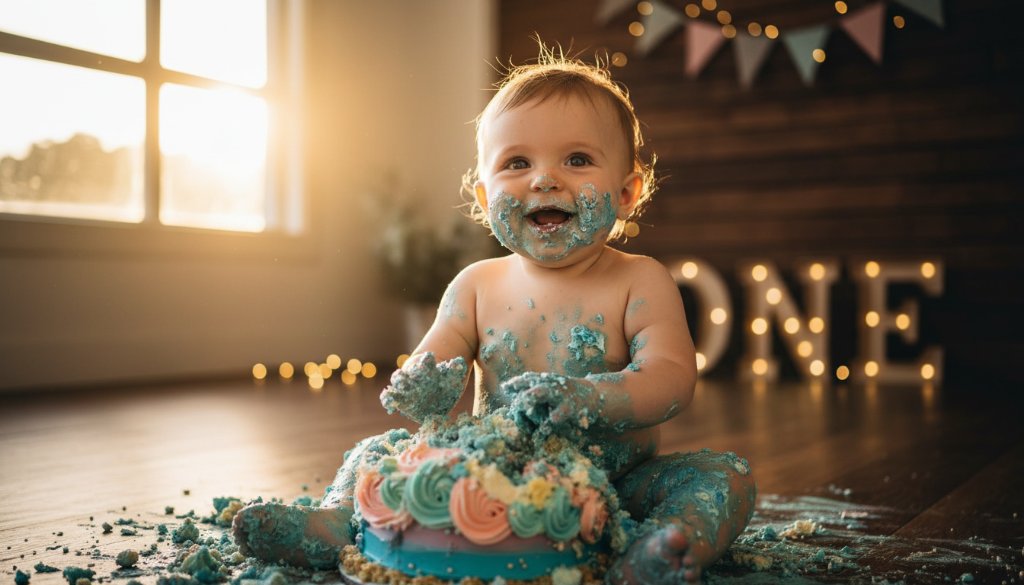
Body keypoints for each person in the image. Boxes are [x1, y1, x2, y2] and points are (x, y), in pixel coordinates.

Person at [233, 45, 755, 584]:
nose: (544, 179)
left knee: (725, 476)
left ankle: (661, 546)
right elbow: (434, 363)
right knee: (375, 451)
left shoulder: (639, 280)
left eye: (577, 160)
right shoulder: (476, 285)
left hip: (618, 482)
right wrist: (423, 386)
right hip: (489, 472)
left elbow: (671, 378)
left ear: (626, 193)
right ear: (485, 199)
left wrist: (591, 398)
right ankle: (336, 523)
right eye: (517, 163)